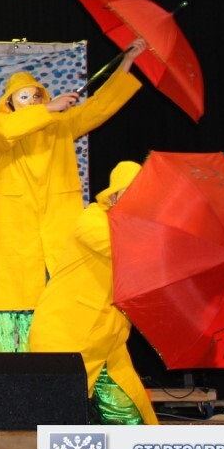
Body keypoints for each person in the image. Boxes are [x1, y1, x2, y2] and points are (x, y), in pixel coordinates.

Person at [0, 37, 147, 352]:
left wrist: (127, 61)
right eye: (23, 97)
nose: (31, 101)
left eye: (36, 96)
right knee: (7, 307)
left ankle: (56, 368)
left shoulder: (61, 126)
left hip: (57, 230)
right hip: (13, 232)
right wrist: (48, 109)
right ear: (9, 104)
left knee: (58, 305)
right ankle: (3, 374)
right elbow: (6, 132)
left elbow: (100, 106)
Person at [29, 161, 158, 424]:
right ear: (113, 195)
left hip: (108, 344)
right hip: (66, 339)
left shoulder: (143, 232)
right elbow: (127, 252)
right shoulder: (92, 220)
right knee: (59, 422)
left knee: (133, 420)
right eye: (131, 193)